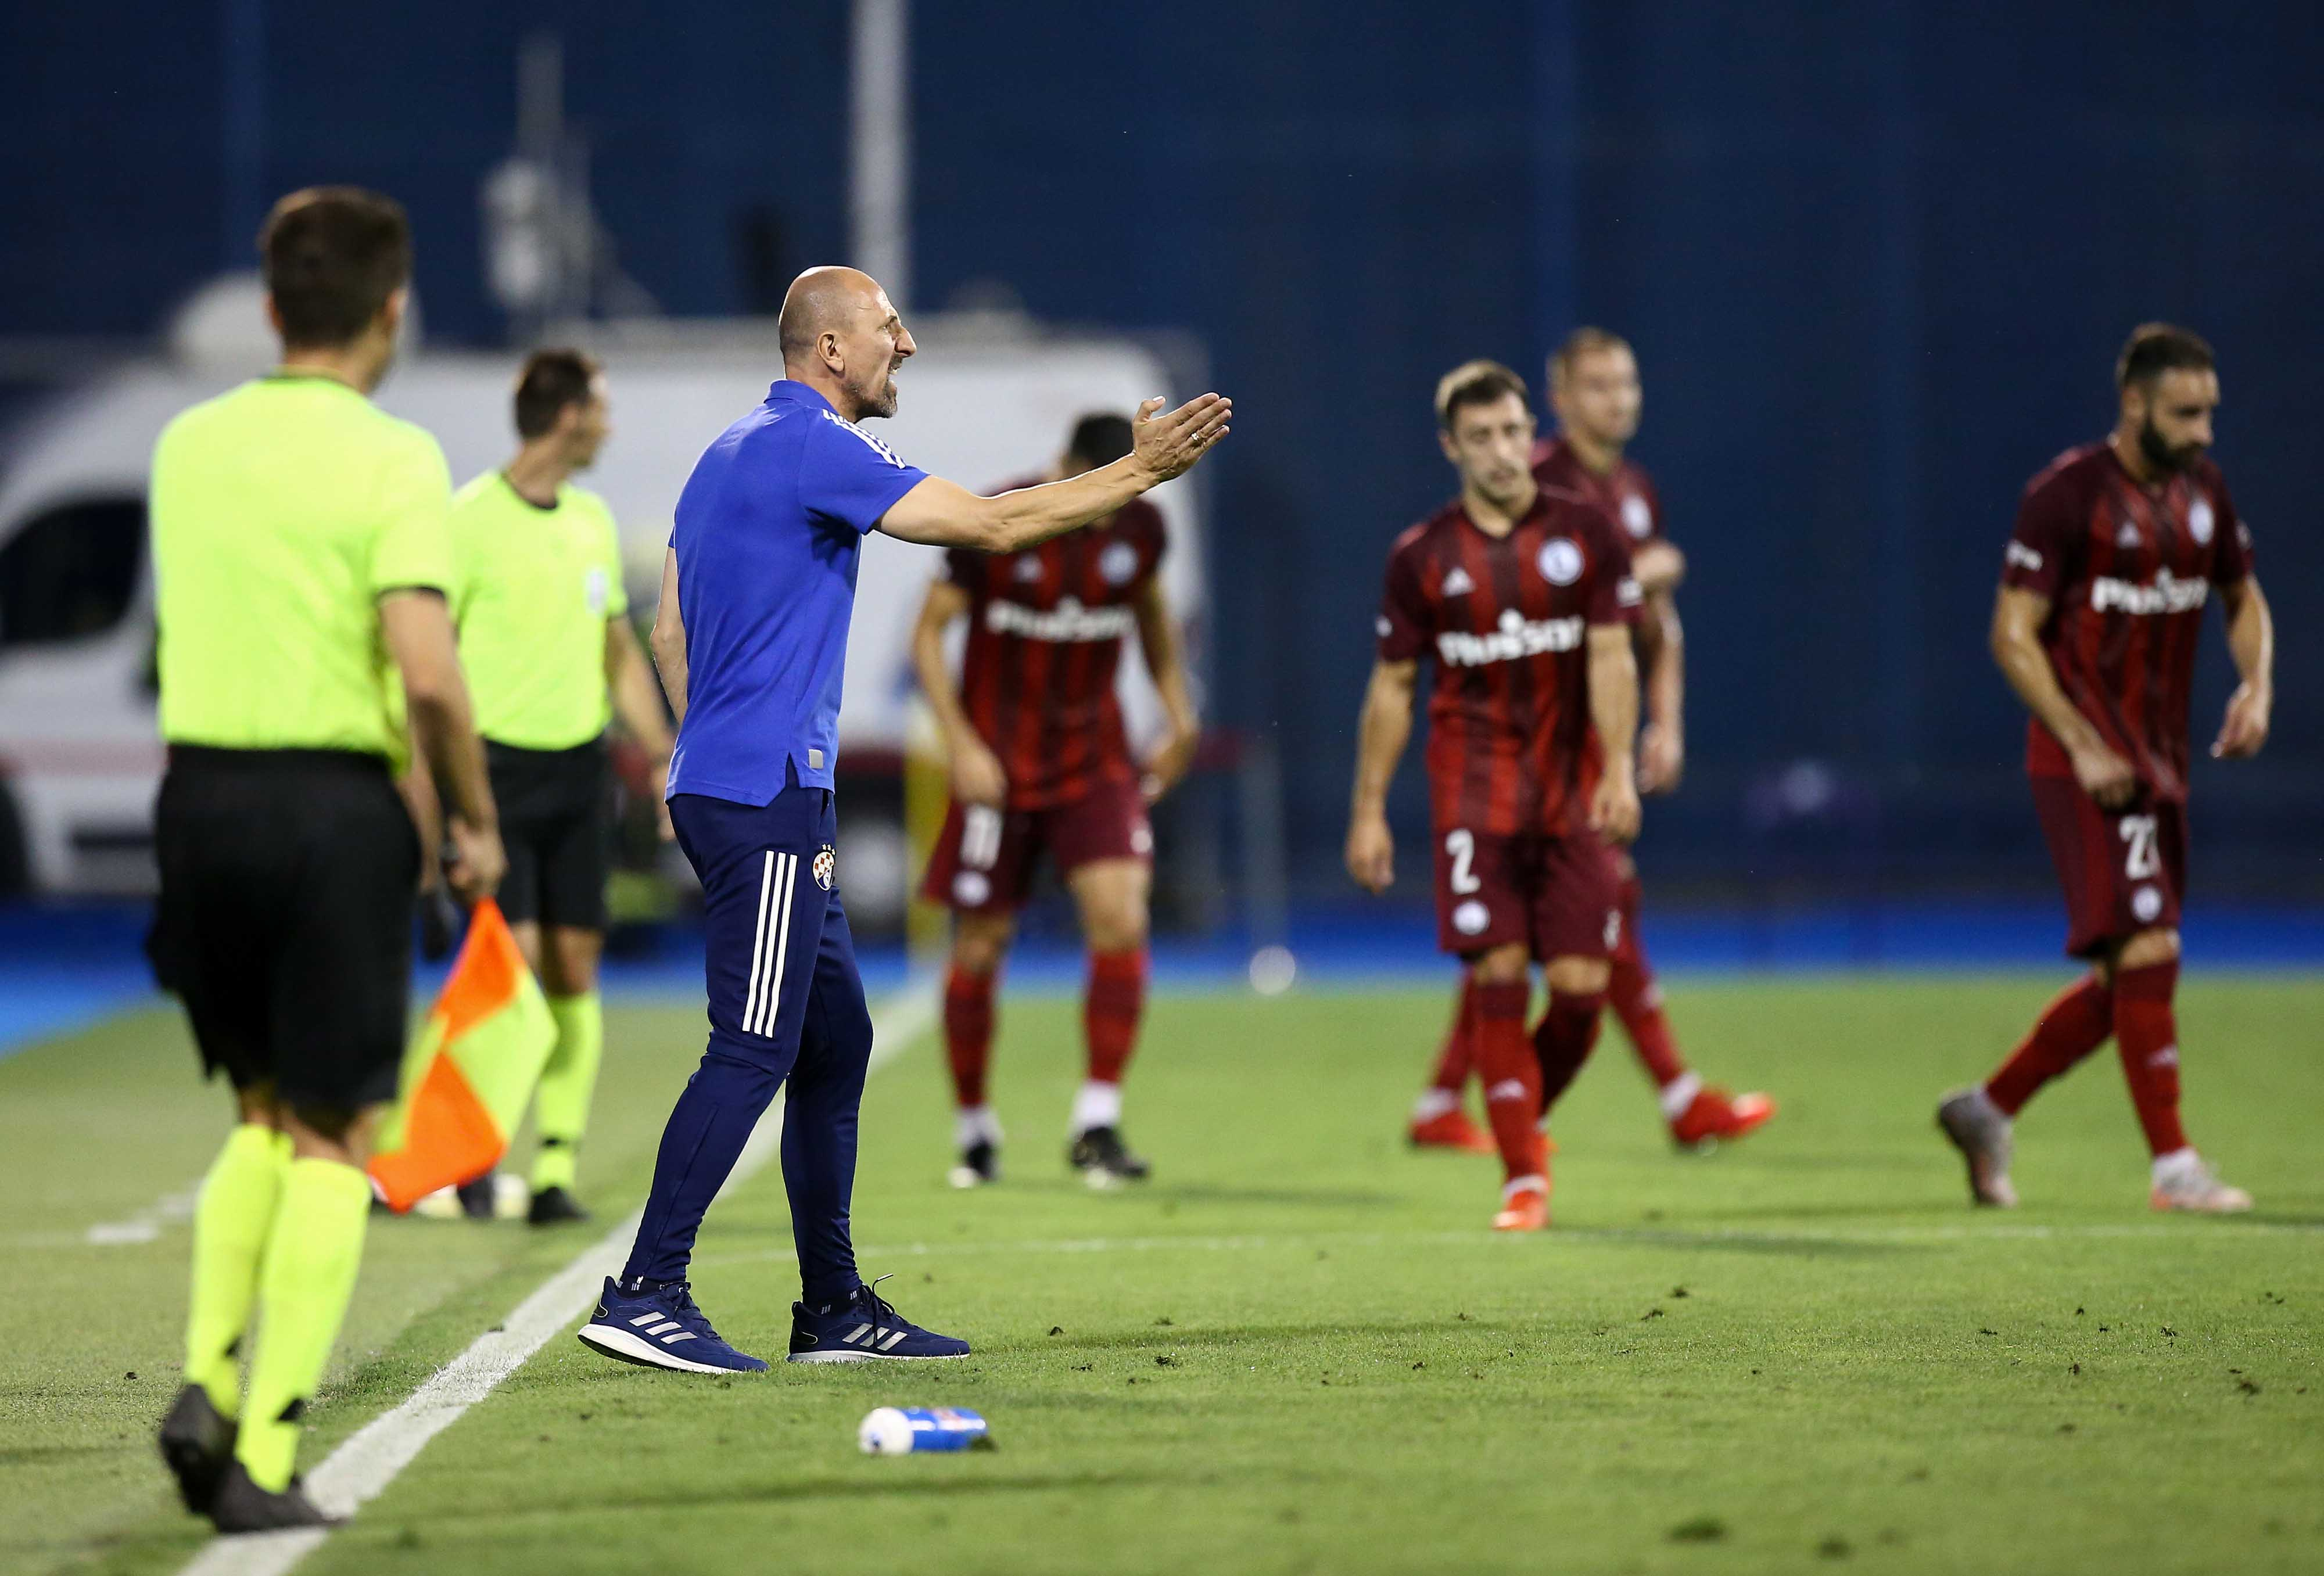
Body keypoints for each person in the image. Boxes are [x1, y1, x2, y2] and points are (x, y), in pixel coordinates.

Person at [575, 267, 1229, 1373]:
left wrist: (705, 750)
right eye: (888, 326)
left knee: (838, 1042)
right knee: (754, 1045)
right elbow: (991, 524)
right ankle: (646, 1289)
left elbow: (670, 633)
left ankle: (833, 1305)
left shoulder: (724, 454)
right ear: (830, 350)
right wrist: (1139, 472)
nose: (908, 343)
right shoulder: (816, 443)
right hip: (767, 793)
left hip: (746, 784)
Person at [149, 187, 503, 1530]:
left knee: (257, 1110)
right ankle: (264, 1455)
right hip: (327, 812)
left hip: (197, 802)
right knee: (336, 1133)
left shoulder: (187, 443)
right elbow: (429, 673)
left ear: (269, 306)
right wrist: (468, 817)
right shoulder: (393, 456)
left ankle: (206, 1377)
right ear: (390, 309)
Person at [1405, 329, 1773, 1155]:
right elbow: (1532, 596)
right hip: (1526, 751)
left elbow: (1653, 626)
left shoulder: (1634, 491)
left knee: (1541, 932)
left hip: (1589, 745)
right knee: (1552, 927)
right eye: (1599, 385)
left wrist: (1664, 722)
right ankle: (1673, 1096)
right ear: (1560, 400)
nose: (1619, 399)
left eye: (1627, 382)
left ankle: (1450, 1099)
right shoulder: (1534, 480)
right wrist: (1646, 571)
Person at [1939, 324, 2272, 1213]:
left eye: (2209, 412)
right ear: (2133, 403)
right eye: (2185, 413)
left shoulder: (2205, 493)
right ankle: (2175, 1168)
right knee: (2151, 946)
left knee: (2132, 976)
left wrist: (2258, 683)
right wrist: (2083, 743)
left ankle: (1987, 1108)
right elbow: (2012, 634)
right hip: (2081, 762)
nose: (2203, 431)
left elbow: (2243, 596)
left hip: (2161, 765)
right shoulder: (2067, 496)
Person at [1345, 360, 1641, 1233]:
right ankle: (1523, 1178)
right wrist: (1368, 809)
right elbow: (1393, 686)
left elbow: (1613, 656)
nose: (1503, 451)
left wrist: (1620, 768)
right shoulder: (1423, 556)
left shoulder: (1588, 532)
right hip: (1475, 803)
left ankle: (1519, 1111)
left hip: (1574, 798)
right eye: (1481, 438)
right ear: (1452, 447)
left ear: (1530, 431)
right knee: (1500, 974)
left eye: (1513, 432)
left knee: (1582, 995)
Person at [912, 412, 1200, 1189]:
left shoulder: (1142, 528)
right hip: (999, 769)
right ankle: (974, 1125)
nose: (1105, 513)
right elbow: (928, 635)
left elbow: (1151, 619)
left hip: (1094, 764)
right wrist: (960, 744)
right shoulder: (1002, 519)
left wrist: (1179, 713)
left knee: (1122, 919)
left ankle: (1097, 1120)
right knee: (980, 946)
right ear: (1064, 466)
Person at [441, 349, 675, 1226]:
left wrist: (661, 753)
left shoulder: (589, 520)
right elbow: (431, 658)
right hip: (494, 775)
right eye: (601, 408)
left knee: (575, 968)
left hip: (579, 774)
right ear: (569, 415)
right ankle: (471, 1157)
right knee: (512, 972)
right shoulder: (467, 520)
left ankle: (552, 1170)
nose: (609, 425)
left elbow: (616, 651)